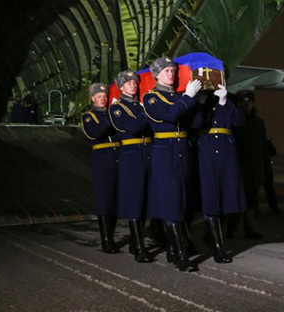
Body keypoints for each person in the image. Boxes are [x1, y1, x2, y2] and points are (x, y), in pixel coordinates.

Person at [142, 57, 202, 272]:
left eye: (173, 70)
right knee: (171, 202)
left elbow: (195, 123)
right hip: (165, 151)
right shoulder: (150, 98)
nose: (171, 74)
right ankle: (180, 254)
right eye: (166, 70)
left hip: (182, 150)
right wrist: (187, 98)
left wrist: (195, 101)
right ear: (156, 75)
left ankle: (173, 248)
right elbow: (169, 115)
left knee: (185, 201)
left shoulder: (179, 97)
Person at [197, 82, 246, 262]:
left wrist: (225, 101)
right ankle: (218, 246)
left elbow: (240, 121)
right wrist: (199, 103)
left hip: (226, 150)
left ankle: (212, 235)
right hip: (206, 150)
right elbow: (194, 124)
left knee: (228, 196)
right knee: (210, 196)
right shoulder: (198, 99)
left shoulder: (230, 99)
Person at [109, 70, 153, 263]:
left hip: (148, 152)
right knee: (135, 200)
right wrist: (148, 111)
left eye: (134, 82)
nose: (133, 85)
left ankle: (135, 242)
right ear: (120, 87)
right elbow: (133, 127)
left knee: (145, 200)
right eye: (128, 83)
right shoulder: (117, 109)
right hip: (131, 155)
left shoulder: (140, 105)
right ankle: (139, 248)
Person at [81, 83, 120, 253]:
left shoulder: (112, 114)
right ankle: (107, 239)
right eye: (99, 96)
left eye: (104, 96)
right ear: (93, 98)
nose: (103, 98)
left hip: (117, 157)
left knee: (116, 199)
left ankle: (111, 236)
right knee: (104, 199)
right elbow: (94, 133)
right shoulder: (89, 116)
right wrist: (111, 114)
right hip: (102, 160)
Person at [228, 89, 270, 239]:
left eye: (249, 100)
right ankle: (230, 227)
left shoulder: (258, 122)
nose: (246, 104)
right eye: (243, 101)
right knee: (235, 199)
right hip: (239, 166)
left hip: (254, 167)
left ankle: (250, 228)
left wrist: (264, 167)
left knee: (252, 200)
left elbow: (263, 146)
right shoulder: (234, 120)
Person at [264, 139, 280, 213]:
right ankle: (274, 207)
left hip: (260, 168)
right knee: (269, 189)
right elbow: (273, 152)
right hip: (265, 168)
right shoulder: (265, 142)